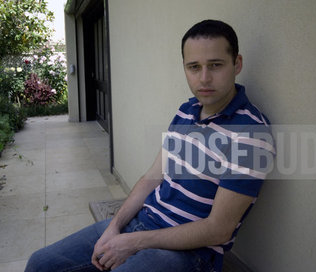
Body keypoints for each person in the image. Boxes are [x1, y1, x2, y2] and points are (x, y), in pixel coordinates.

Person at [25, 20, 275, 272]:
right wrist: (115, 226)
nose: (204, 78)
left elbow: (218, 230)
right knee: (40, 264)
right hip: (141, 224)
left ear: (237, 64)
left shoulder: (251, 134)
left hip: (189, 255)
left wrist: (134, 243)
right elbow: (151, 178)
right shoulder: (187, 111)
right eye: (194, 67)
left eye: (216, 65)